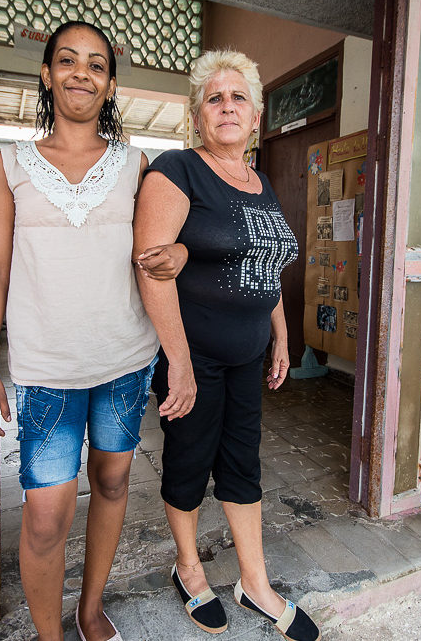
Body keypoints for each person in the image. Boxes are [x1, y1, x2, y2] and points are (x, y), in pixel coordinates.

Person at [0, 20, 187, 641]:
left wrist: (183, 257)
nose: (81, 74)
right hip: (45, 373)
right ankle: (50, 635)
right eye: (67, 61)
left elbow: (162, 251)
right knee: (44, 517)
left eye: (96, 65)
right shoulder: (10, 165)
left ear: (111, 85)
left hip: (123, 362)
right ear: (46, 74)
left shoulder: (136, 166)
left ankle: (90, 609)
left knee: (113, 482)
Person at [133, 50, 320, 641]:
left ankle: (253, 582)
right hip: (195, 355)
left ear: (257, 114)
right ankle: (189, 569)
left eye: (238, 97)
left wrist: (282, 337)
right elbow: (151, 269)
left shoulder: (260, 182)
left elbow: (264, 270)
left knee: (243, 465)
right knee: (189, 462)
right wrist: (181, 364)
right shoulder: (176, 170)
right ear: (198, 115)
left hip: (247, 355)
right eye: (215, 98)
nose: (228, 107)